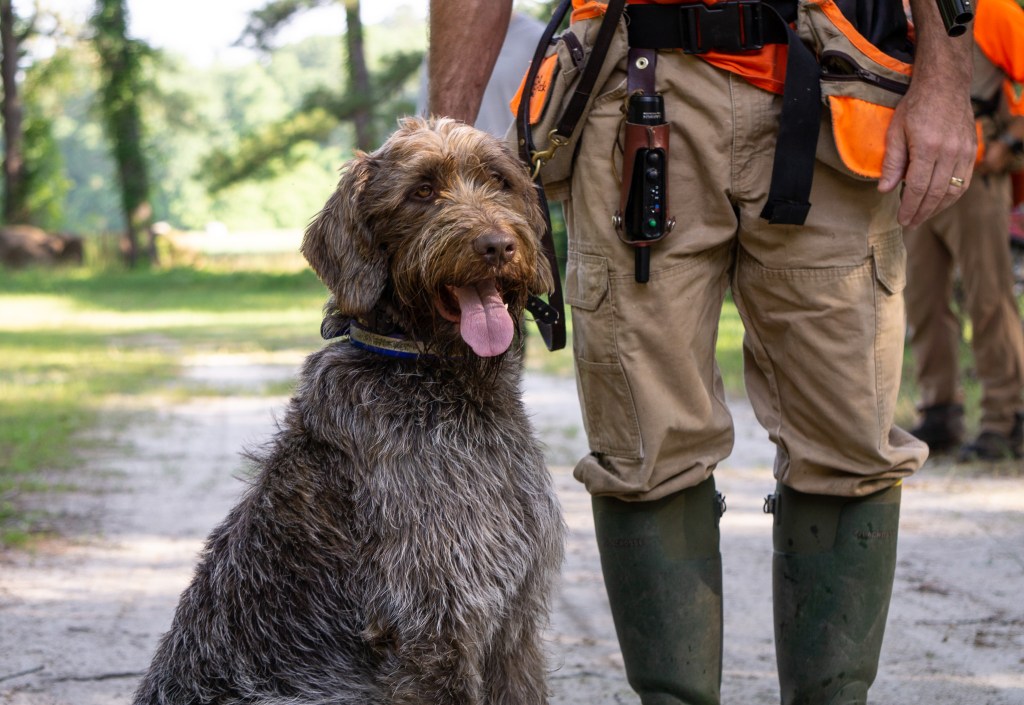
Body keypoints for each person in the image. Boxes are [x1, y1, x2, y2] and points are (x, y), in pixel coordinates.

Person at [428, 0, 975, 703]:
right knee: (645, 441)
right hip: (634, 87)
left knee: (851, 440)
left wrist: (945, 81)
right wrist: (444, 138)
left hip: (831, 77)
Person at [904, 0, 1024, 461]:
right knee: (922, 299)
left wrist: (1009, 143)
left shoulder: (995, 12)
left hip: (976, 171)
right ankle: (939, 412)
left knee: (988, 298)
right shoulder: (896, 10)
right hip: (916, 172)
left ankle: (1004, 418)